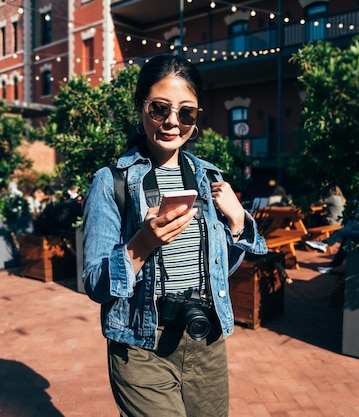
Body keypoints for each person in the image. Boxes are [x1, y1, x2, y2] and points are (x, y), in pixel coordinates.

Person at [81, 55, 267, 417]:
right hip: (140, 343)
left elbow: (219, 270)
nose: (172, 122)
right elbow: (94, 284)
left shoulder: (209, 179)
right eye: (160, 109)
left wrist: (238, 225)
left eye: (186, 113)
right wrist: (141, 245)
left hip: (205, 339)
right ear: (141, 108)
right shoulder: (111, 182)